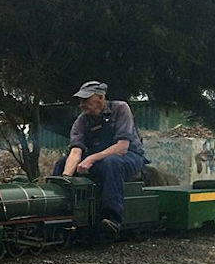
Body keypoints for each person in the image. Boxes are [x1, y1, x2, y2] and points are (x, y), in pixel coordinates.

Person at [53, 81, 146, 234]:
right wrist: (66, 177)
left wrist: (91, 159)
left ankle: (112, 217)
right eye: (81, 101)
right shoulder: (81, 121)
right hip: (99, 159)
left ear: (101, 98)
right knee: (62, 163)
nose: (82, 105)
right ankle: (60, 210)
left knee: (112, 162)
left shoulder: (121, 108)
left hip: (129, 156)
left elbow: (122, 146)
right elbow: (75, 152)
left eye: (86, 100)